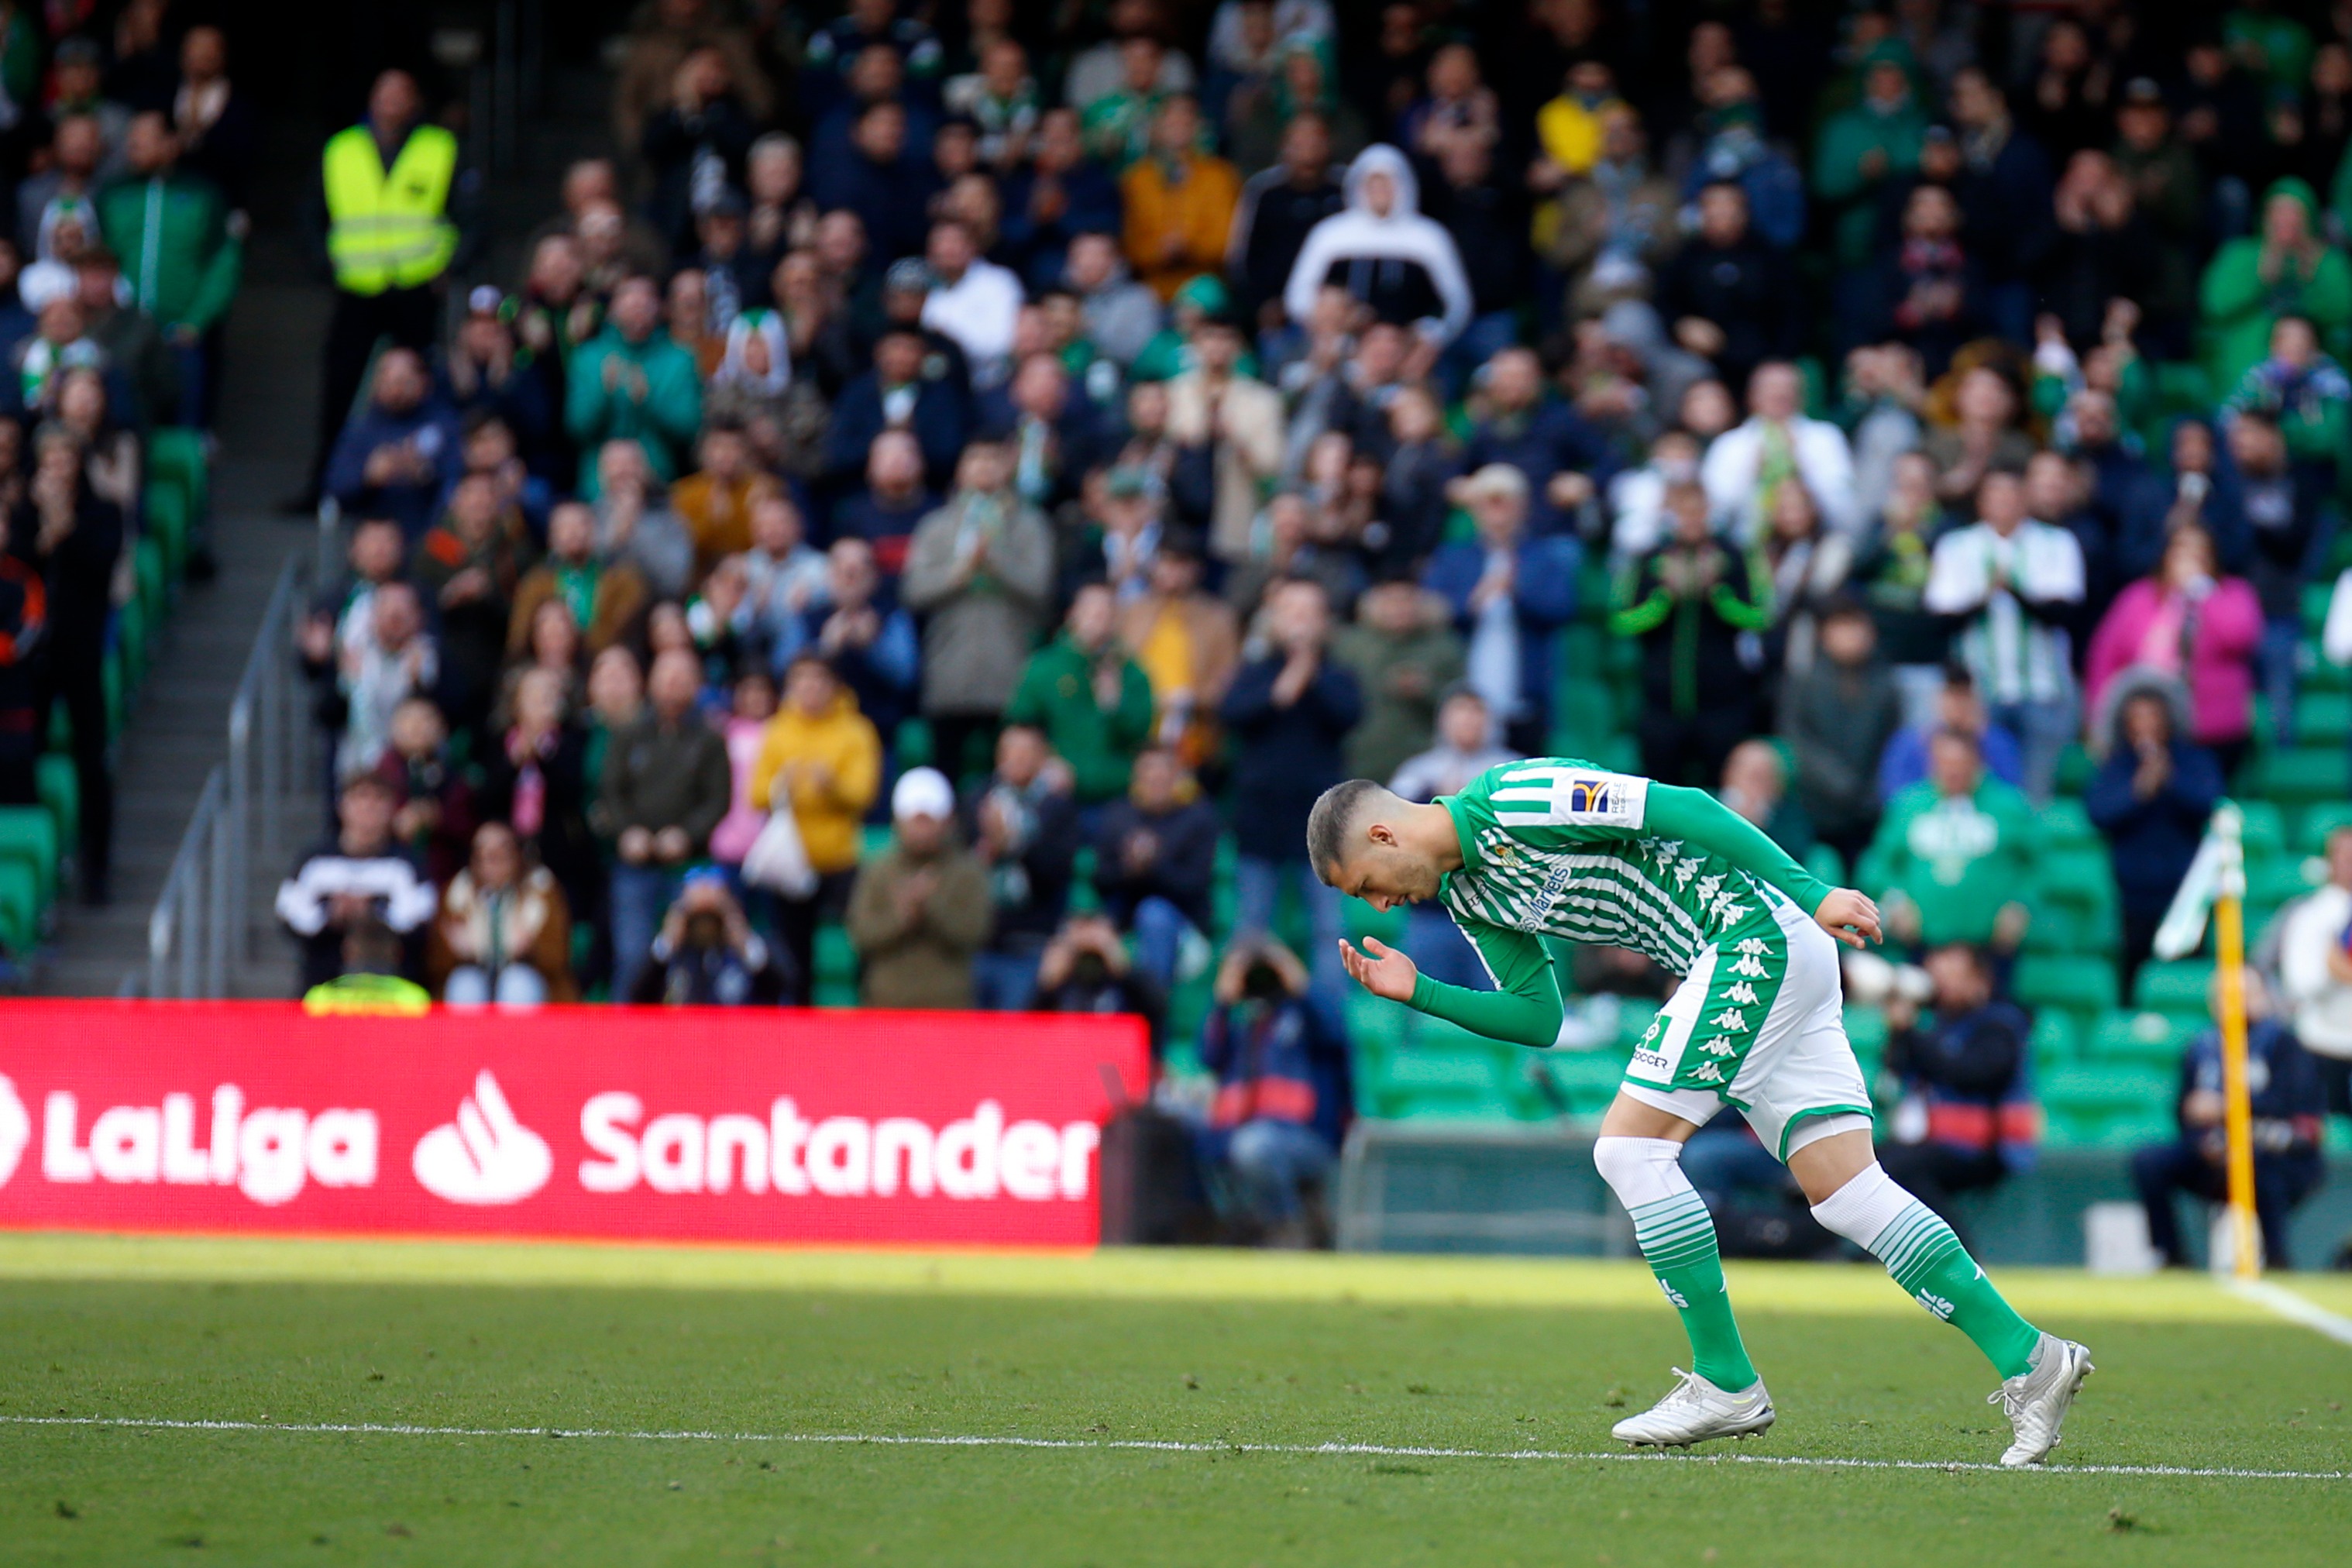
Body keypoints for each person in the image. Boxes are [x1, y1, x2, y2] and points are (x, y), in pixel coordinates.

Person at [1307, 761, 2090, 1463]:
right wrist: (1423, 993)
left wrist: (1810, 889)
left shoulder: (1513, 798)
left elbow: (1681, 805)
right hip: (1753, 958)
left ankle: (1725, 1380)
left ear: (1382, 832)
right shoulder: (1471, 894)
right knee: (1848, 1190)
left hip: (1752, 938)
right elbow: (1538, 1017)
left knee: (1627, 1149)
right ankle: (2031, 1356)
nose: (1378, 902)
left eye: (1364, 883)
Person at [304, 70, 459, 508]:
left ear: (415, 102)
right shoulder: (342, 148)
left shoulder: (439, 147)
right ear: (370, 99)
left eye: (401, 93)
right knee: (339, 388)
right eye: (383, 93)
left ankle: (425, 482)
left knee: (422, 386)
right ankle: (326, 484)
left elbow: (471, 215)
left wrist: (453, 264)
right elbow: (310, 210)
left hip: (416, 287)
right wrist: (323, 262)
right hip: (357, 286)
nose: (391, 101)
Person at [2132, 969, 2326, 1269]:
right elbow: (2184, 1112)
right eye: (2226, 996)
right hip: (2214, 1153)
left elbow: (2294, 1110)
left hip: (2276, 1155)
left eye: (2245, 995)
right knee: (2148, 1160)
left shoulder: (2283, 1044)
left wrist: (2228, 1108)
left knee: (2258, 1162)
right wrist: (2204, 1141)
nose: (2236, 1003)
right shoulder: (2202, 1047)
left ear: (2263, 997)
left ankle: (2276, 1258)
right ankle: (2170, 1256)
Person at [1222, 578, 1360, 989]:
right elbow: (1233, 713)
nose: (1299, 621)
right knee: (1250, 928)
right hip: (1260, 817)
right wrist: (1281, 688)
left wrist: (1308, 671)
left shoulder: (1336, 674)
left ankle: (1328, 1031)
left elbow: (1349, 715)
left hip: (1320, 821)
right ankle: (1242, 1022)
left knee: (1327, 930)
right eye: (1290, 612)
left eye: (1308, 613)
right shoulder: (1254, 671)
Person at [1923, 469, 2085, 803]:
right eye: (1995, 495)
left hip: (2044, 689)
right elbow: (1940, 619)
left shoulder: (2056, 543)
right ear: (1981, 502)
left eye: (2011, 494)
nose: (2004, 503)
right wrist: (1985, 595)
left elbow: (2064, 612)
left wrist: (2013, 589)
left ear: (2025, 499)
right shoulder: (1957, 546)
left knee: (2038, 792)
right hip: (1980, 694)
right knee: (1985, 789)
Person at [900, 440, 1055, 781]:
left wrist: (996, 560)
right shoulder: (936, 526)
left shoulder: (1030, 525)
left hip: (1010, 670)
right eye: (975, 458)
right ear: (960, 470)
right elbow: (914, 590)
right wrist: (959, 573)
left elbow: (1041, 588)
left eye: (993, 458)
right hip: (950, 671)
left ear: (1008, 468)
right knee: (946, 771)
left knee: (1011, 774)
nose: (984, 466)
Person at [1610, 479, 1769, 787]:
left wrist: (1717, 593)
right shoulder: (1649, 558)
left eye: (1698, 511)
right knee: (1660, 792)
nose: (1691, 520)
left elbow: (1760, 616)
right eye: (1683, 512)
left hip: (1723, 703)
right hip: (1661, 704)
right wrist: (1665, 595)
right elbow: (1622, 621)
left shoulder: (1734, 556)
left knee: (1722, 793)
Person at [1876, 942, 2037, 1236]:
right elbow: (1897, 1072)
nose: (1942, 985)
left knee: (1903, 1169)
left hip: (1985, 1147)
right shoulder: (1939, 1025)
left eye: (1952, 976)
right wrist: (1900, 1033)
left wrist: (1911, 1033)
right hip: (1934, 1140)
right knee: (1869, 1165)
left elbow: (1968, 1073)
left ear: (1980, 980)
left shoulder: (2000, 1024)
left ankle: (1955, 1250)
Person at [597, 648, 731, 1000]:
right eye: (667, 675)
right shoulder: (628, 734)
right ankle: (625, 1039)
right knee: (632, 954)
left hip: (690, 864)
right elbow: (611, 792)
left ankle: (695, 1042)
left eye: (683, 676)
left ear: (697, 684)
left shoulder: (710, 739)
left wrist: (686, 835)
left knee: (695, 956)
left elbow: (719, 800)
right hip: (634, 862)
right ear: (651, 681)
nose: (674, 684)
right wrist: (627, 832)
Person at [748, 652, 884, 999]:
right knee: (794, 951)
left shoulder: (856, 730)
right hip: (792, 861)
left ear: (833, 686)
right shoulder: (777, 729)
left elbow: (864, 791)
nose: (810, 688)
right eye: (801, 680)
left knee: (864, 939)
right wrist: (783, 784)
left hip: (839, 857)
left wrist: (832, 787)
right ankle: (798, 1019)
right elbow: (757, 793)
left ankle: (866, 1009)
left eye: (818, 679)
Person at [1198, 936, 1348, 1245]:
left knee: (1254, 1146)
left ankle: (1286, 1227)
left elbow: (1335, 1033)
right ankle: (1212, 1233)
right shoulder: (1241, 1021)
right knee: (1185, 1129)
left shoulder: (1304, 1017)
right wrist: (1223, 1001)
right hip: (1238, 1131)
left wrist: (1297, 980)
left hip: (1308, 1137)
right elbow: (1208, 1055)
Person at [2084, 523, 2264, 779]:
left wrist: (2204, 594)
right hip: (2146, 730)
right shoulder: (2138, 597)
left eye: (2199, 553)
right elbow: (2105, 657)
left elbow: (2239, 638)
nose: (2190, 561)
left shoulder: (2232, 594)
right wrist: (2097, 718)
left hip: (2215, 729)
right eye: (2181, 551)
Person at [1421, 463, 1578, 754]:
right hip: (1463, 697)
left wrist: (1516, 592)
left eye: (1506, 503)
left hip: (1526, 697)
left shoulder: (1543, 556)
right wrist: (1473, 601)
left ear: (1522, 507)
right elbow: (1431, 612)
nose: (1498, 513)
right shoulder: (1455, 557)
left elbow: (1562, 607)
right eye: (1490, 503)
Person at [2086, 684, 2225, 992]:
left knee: (2186, 978)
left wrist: (2169, 779)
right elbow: (2099, 813)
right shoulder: (2116, 766)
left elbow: (2208, 802)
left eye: (2153, 716)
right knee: (2136, 977)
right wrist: (2139, 790)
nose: (2146, 725)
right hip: (2133, 895)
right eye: (2138, 717)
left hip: (2186, 894)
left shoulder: (2192, 760)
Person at [1865, 727, 2038, 964]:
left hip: (1991, 951)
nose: (1953, 772)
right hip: (1920, 947)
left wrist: (2021, 904)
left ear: (1978, 763)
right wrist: (1894, 900)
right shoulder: (1908, 806)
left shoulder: (2009, 807)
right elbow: (1877, 866)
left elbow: (2038, 864)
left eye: (1960, 764)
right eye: (1945, 764)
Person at [1386, 686, 1516, 991]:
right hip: (1433, 909)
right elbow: (1392, 833)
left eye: (1476, 714)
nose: (1468, 723)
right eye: (1460, 714)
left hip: (1495, 914)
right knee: (1422, 1004)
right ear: (1443, 720)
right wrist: (1434, 800)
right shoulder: (1418, 771)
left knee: (1497, 1012)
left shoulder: (1509, 772)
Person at [1281, 143, 1470, 347]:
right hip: (1343, 340)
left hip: (1409, 345)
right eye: (1373, 184)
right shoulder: (1330, 233)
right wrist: (1327, 323)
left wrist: (1433, 335)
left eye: (1387, 184)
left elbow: (1456, 300)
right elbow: (1298, 294)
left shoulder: (1429, 236)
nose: (1380, 192)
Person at [275, 772, 438, 993]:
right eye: (361, 798)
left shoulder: (406, 864)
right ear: (343, 806)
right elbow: (289, 914)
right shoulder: (315, 861)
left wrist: (372, 913)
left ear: (392, 809)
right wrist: (330, 914)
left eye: (378, 799)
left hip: (392, 986)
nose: (368, 808)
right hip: (323, 985)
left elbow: (420, 919)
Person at [846, 765, 992, 1009]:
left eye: (928, 821)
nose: (921, 830)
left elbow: (974, 933)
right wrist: (902, 916)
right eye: (916, 821)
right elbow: (861, 934)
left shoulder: (967, 871)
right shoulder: (879, 870)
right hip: (887, 1005)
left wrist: (929, 908)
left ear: (947, 822)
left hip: (949, 1007)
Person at [1003, 581, 1157, 807]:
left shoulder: (1132, 674)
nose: (1099, 618)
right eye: (1092, 610)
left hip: (1118, 794)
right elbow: (1020, 725)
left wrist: (1114, 705)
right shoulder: (1045, 667)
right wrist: (1045, 763)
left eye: (1107, 611)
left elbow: (1140, 734)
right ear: (1072, 614)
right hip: (1056, 793)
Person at [963, 723, 1081, 1010]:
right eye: (1010, 749)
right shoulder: (976, 800)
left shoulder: (1058, 808)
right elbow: (959, 864)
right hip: (978, 942)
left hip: (1032, 944)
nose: (1017, 757)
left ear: (1043, 758)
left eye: (1027, 751)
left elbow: (1055, 873)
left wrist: (1013, 846)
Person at [1779, 600, 1903, 869]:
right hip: (1817, 807)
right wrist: (1837, 781)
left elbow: (1893, 742)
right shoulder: (1806, 681)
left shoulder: (1886, 684)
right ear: (1825, 634)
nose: (1851, 636)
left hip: (1871, 808)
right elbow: (1797, 739)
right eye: (1842, 627)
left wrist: (1871, 789)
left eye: (1857, 627)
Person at [1092, 744, 1221, 992]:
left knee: (1154, 915)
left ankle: (1152, 1016)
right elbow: (1101, 880)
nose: (1155, 781)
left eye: (1163, 774)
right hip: (1123, 920)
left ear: (1177, 778)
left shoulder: (1198, 818)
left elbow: (1194, 885)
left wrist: (1154, 866)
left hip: (1185, 927)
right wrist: (1128, 869)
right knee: (1085, 931)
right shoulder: (1118, 815)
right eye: (1148, 773)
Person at [566, 274, 704, 494]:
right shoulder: (588, 356)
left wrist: (647, 399)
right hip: (598, 483)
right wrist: (604, 394)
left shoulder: (680, 358)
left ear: (659, 308)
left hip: (658, 478)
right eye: (630, 302)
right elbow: (577, 427)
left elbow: (689, 428)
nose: (637, 310)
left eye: (645, 303)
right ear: (613, 309)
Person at [1700, 361, 1861, 539]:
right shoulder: (1729, 444)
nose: (1780, 395)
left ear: (1801, 396)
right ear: (1752, 397)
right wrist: (1749, 469)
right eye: (1771, 389)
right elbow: (1715, 513)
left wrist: (1803, 459)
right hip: (1745, 545)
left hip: (1816, 542)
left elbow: (1844, 508)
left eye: (1787, 389)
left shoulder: (1826, 437)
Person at [1332, 575, 1462, 788]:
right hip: (1361, 757)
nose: (1400, 608)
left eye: (1407, 600)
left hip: (1422, 762)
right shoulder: (1350, 645)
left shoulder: (1444, 646)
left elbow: (1462, 703)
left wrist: (1426, 689)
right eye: (1391, 601)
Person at [426, 821, 576, 1006]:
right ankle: (466, 1036)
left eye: (501, 854)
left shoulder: (541, 889)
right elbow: (434, 964)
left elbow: (558, 958)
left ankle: (516, 1036)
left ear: (517, 855)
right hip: (474, 977)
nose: (493, 861)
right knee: (464, 984)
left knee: (518, 983)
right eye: (485, 854)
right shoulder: (457, 892)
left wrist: (531, 949)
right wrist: (457, 951)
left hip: (528, 983)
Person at [322, 348, 462, 542]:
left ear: (423, 382)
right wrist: (369, 475)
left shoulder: (446, 424)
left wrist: (423, 472)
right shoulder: (361, 429)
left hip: (432, 535)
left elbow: (460, 479)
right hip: (375, 537)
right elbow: (334, 485)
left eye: (403, 382)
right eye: (387, 382)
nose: (395, 390)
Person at [2275, 826, 2352, 1122]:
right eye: (2344, 856)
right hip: (2320, 1044)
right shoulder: (2308, 916)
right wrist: (2334, 973)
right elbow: (2298, 985)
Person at [629, 870, 787, 1006]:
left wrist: (744, 940)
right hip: (680, 1034)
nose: (705, 928)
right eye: (697, 919)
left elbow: (784, 987)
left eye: (712, 919)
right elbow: (636, 995)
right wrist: (667, 941)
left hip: (737, 1033)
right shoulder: (670, 954)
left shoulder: (746, 950)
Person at [1033, 910, 1167, 1050]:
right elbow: (1024, 1032)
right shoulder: (1061, 981)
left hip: (1116, 1061)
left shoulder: (1122, 982)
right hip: (1066, 1058)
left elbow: (1158, 1010)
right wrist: (1045, 985)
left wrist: (1124, 967)